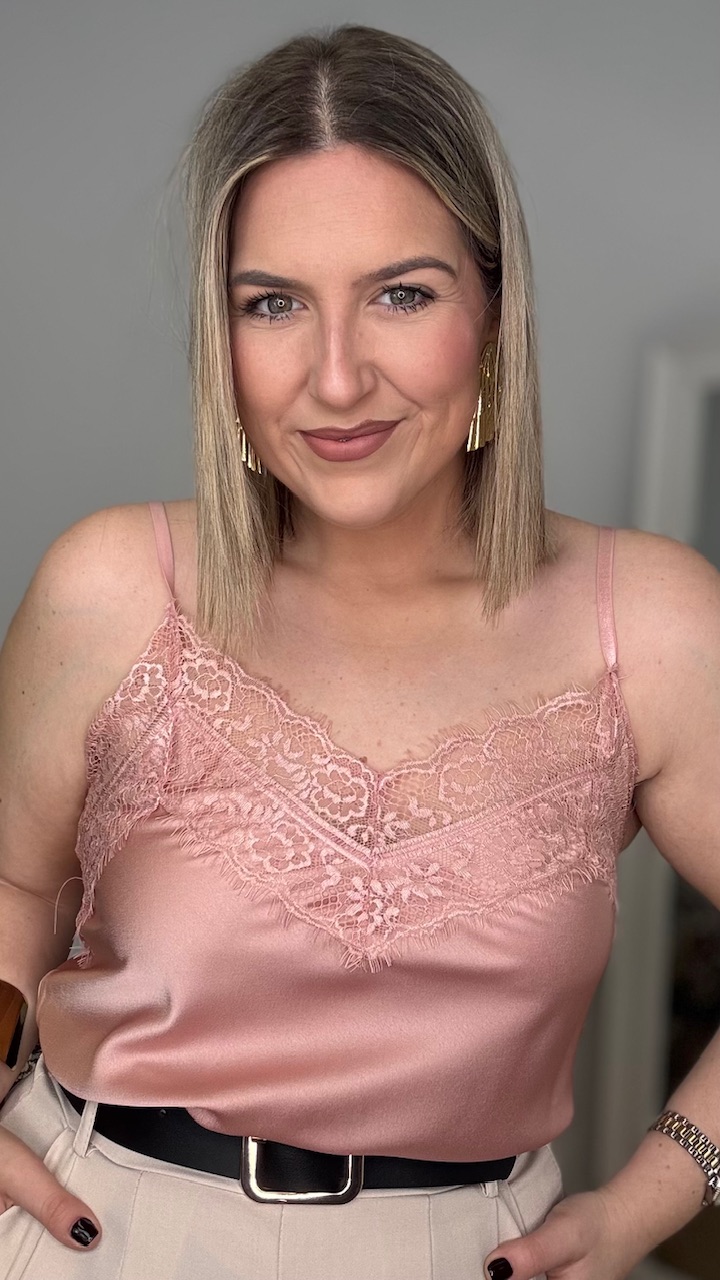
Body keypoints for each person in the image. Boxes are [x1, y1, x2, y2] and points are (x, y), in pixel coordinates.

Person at [0, 21, 718, 1280]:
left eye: (402, 294)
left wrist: (651, 1199)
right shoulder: (112, 585)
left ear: (494, 313)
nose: (336, 378)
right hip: (96, 1234)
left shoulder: (649, 624)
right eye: (273, 304)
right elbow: (13, 891)